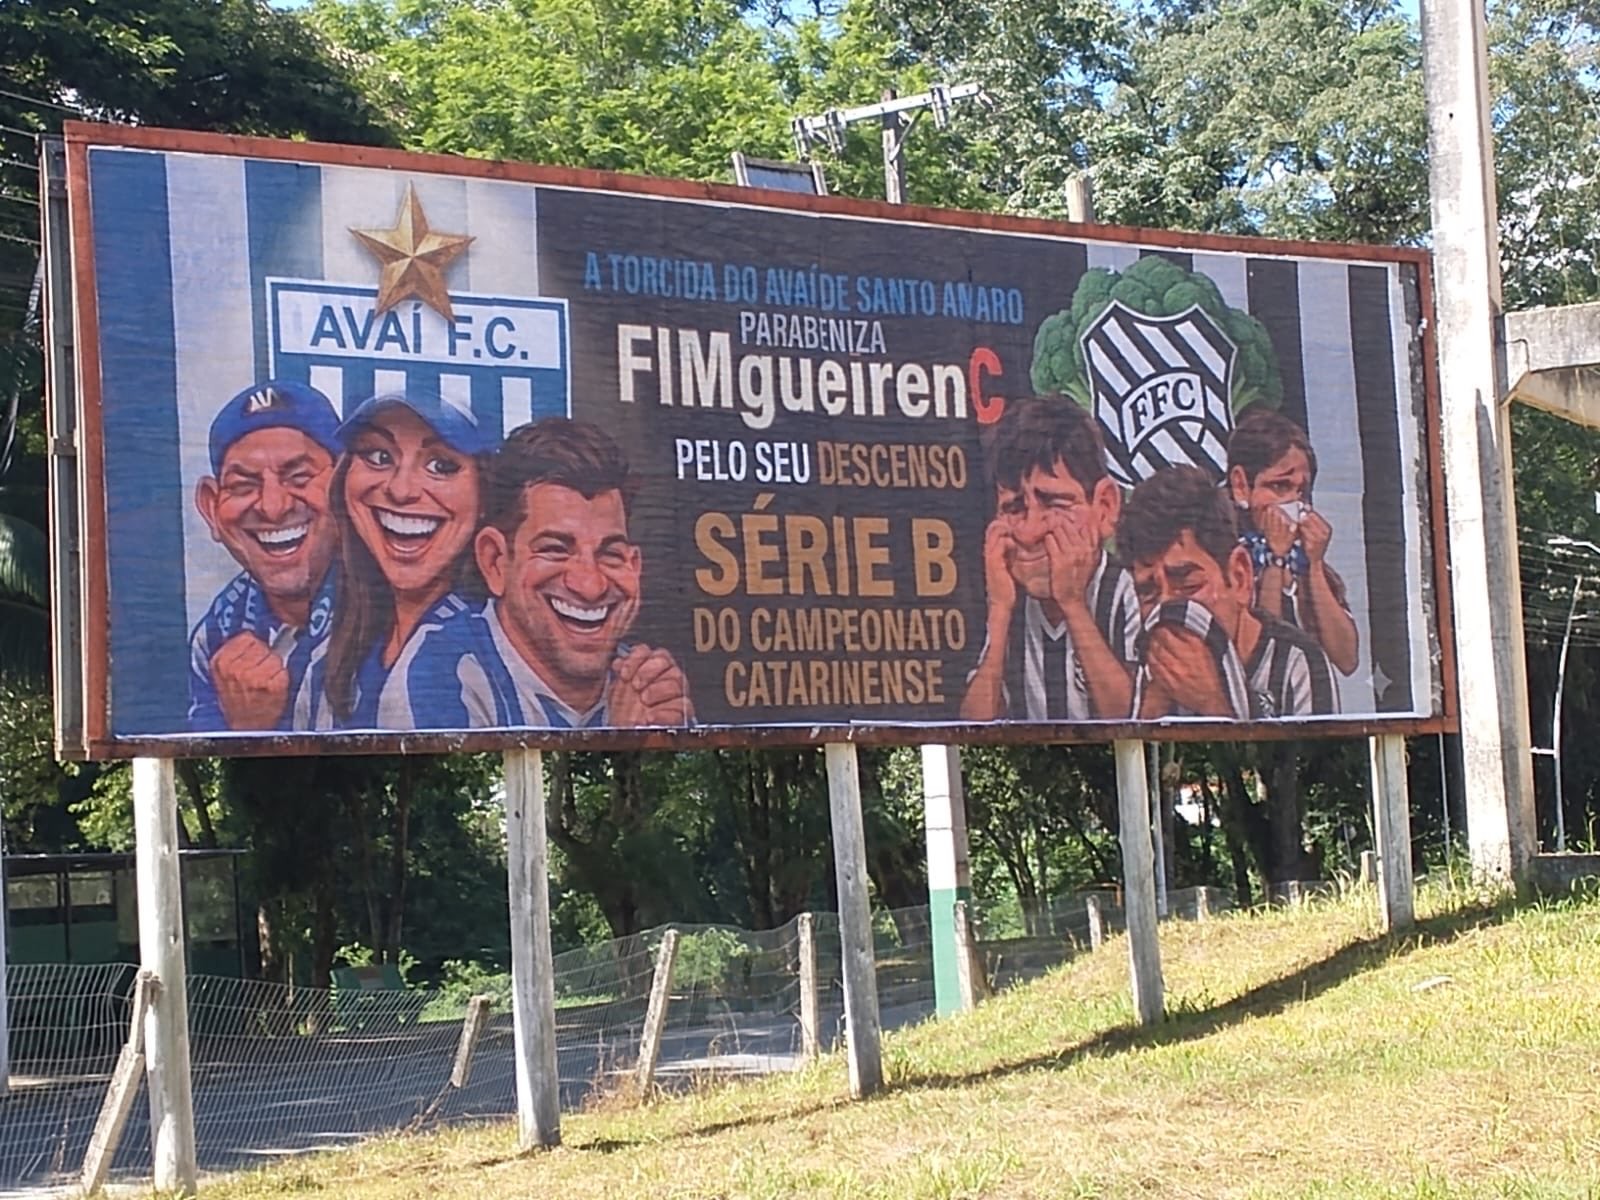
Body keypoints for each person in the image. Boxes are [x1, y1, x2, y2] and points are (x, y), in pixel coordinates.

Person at [379, 418, 692, 729]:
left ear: (634, 566)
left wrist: (672, 734)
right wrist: (624, 744)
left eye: (610, 554)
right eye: (555, 549)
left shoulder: (645, 685)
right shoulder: (438, 675)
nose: (590, 586)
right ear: (495, 561)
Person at [295, 391, 496, 729]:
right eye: (378, 456)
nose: (402, 490)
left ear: (485, 494)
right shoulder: (326, 658)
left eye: (441, 465)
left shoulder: (495, 650)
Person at [960, 396, 1140, 722]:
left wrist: (1072, 603)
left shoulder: (1128, 590)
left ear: (1105, 506)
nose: (1030, 532)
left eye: (1055, 503)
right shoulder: (1006, 601)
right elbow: (973, 727)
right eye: (1014, 509)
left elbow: (1134, 719)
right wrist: (999, 612)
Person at [1119, 466, 1338, 720]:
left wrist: (1213, 703)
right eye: (1149, 593)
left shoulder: (1298, 663)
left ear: (1239, 576)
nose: (1168, 608)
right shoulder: (1150, 662)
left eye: (1189, 586)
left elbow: (1312, 759)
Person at [188, 380, 341, 732]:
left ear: (344, 485)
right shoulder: (217, 634)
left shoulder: (396, 608)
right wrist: (246, 728)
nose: (273, 507)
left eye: (299, 477)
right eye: (243, 486)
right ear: (212, 508)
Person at [1226, 409, 1358, 675]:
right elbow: (1267, 659)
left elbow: (1347, 659)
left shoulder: (1303, 564)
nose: (1293, 503)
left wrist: (1315, 565)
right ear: (1242, 486)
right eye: (1279, 487)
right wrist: (1275, 560)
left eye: (1302, 491)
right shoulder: (1226, 560)